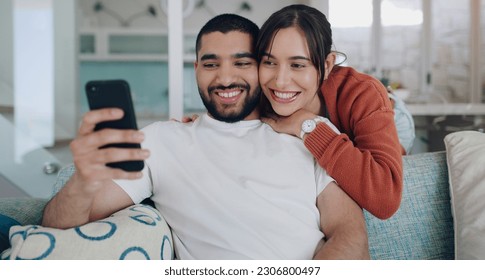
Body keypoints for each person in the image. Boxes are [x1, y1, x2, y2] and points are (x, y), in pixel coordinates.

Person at [42, 14, 369, 260]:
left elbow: (350, 235)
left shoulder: (310, 135)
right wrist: (85, 178)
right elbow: (58, 227)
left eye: (242, 62)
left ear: (262, 68)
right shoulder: (160, 141)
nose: (225, 78)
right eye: (211, 64)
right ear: (196, 68)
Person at [256, 4, 403, 219]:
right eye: (269, 62)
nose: (280, 81)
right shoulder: (258, 96)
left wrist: (306, 124)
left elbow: (385, 199)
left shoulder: (361, 93)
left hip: (388, 112)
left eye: (297, 65)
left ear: (326, 65)